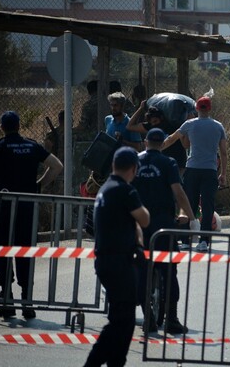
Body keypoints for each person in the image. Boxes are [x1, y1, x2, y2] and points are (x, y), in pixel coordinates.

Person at [0, 111, 63, 319]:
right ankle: (27, 302)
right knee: (25, 252)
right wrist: (39, 186)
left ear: (2, 127)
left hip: (3, 208)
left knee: (2, 251)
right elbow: (57, 166)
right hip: (28, 208)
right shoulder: (32, 146)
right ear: (19, 126)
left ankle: (6, 300)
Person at [84, 147, 150, 367]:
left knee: (125, 321)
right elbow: (145, 218)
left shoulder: (106, 188)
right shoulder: (125, 190)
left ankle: (115, 362)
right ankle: (93, 363)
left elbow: (129, 221)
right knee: (120, 322)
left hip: (108, 261)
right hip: (118, 262)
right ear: (133, 169)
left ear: (113, 165)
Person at [132, 128, 198, 334]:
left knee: (141, 270)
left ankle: (148, 318)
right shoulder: (168, 163)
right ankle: (172, 319)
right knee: (169, 270)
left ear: (145, 141)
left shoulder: (135, 161)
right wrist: (192, 218)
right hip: (163, 223)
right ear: (162, 143)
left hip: (139, 223)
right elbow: (178, 192)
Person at [164, 93, 227, 252]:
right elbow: (224, 152)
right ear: (210, 109)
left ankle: (185, 240)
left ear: (196, 108)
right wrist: (223, 173)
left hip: (192, 169)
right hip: (210, 170)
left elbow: (172, 138)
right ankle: (204, 241)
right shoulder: (218, 126)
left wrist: (154, 149)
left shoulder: (189, 124)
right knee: (207, 206)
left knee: (188, 205)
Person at [126, 100, 188, 175]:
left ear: (161, 118)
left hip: (178, 164)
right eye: (152, 123)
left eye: (155, 121)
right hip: (160, 165)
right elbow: (129, 126)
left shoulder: (173, 125)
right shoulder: (151, 126)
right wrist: (140, 109)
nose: (154, 124)